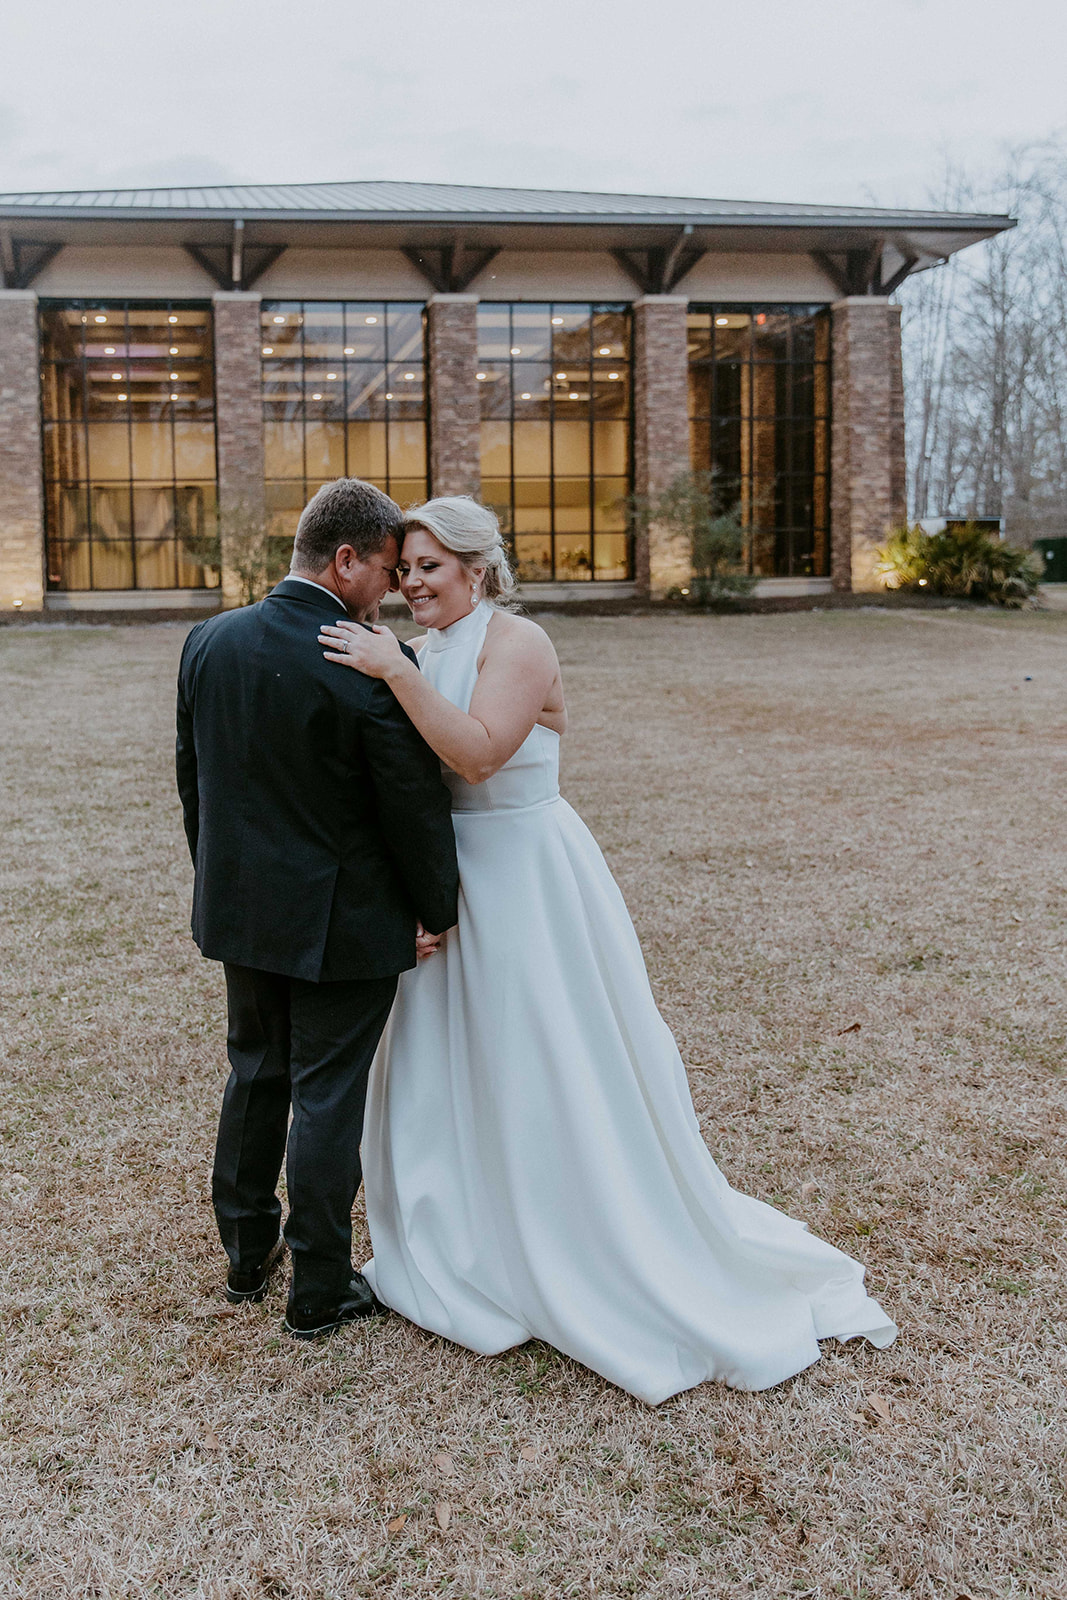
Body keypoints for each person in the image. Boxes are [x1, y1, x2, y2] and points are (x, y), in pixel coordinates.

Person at [318, 494, 896, 1404]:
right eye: (403, 569)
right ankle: (462, 1234)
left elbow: (476, 755)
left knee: (546, 1053)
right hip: (447, 883)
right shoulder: (421, 653)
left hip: (527, 878)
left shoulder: (517, 643)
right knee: (449, 1063)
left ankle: (575, 1229)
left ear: (476, 567)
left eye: (429, 566)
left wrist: (394, 671)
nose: (411, 583)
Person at [176, 478, 458, 1339]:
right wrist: (435, 908)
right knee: (328, 1096)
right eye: (383, 569)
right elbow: (409, 805)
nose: (392, 590)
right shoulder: (365, 655)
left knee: (255, 1073)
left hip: (242, 909)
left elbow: (196, 784)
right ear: (344, 560)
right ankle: (320, 1287)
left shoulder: (207, 641)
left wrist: (223, 882)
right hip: (347, 920)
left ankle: (244, 1256)